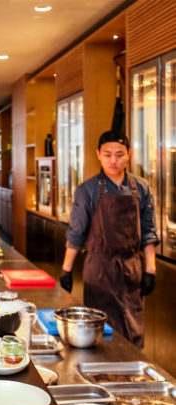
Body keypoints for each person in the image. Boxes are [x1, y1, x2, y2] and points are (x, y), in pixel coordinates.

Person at [59, 131, 159, 348]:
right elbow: (76, 233)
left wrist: (150, 270)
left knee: (133, 331)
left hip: (131, 269)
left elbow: (149, 232)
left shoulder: (141, 188)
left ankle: (131, 377)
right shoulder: (88, 189)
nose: (114, 161)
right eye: (108, 155)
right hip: (99, 270)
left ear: (129, 155)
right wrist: (66, 270)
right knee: (100, 333)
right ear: (98, 154)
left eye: (120, 155)